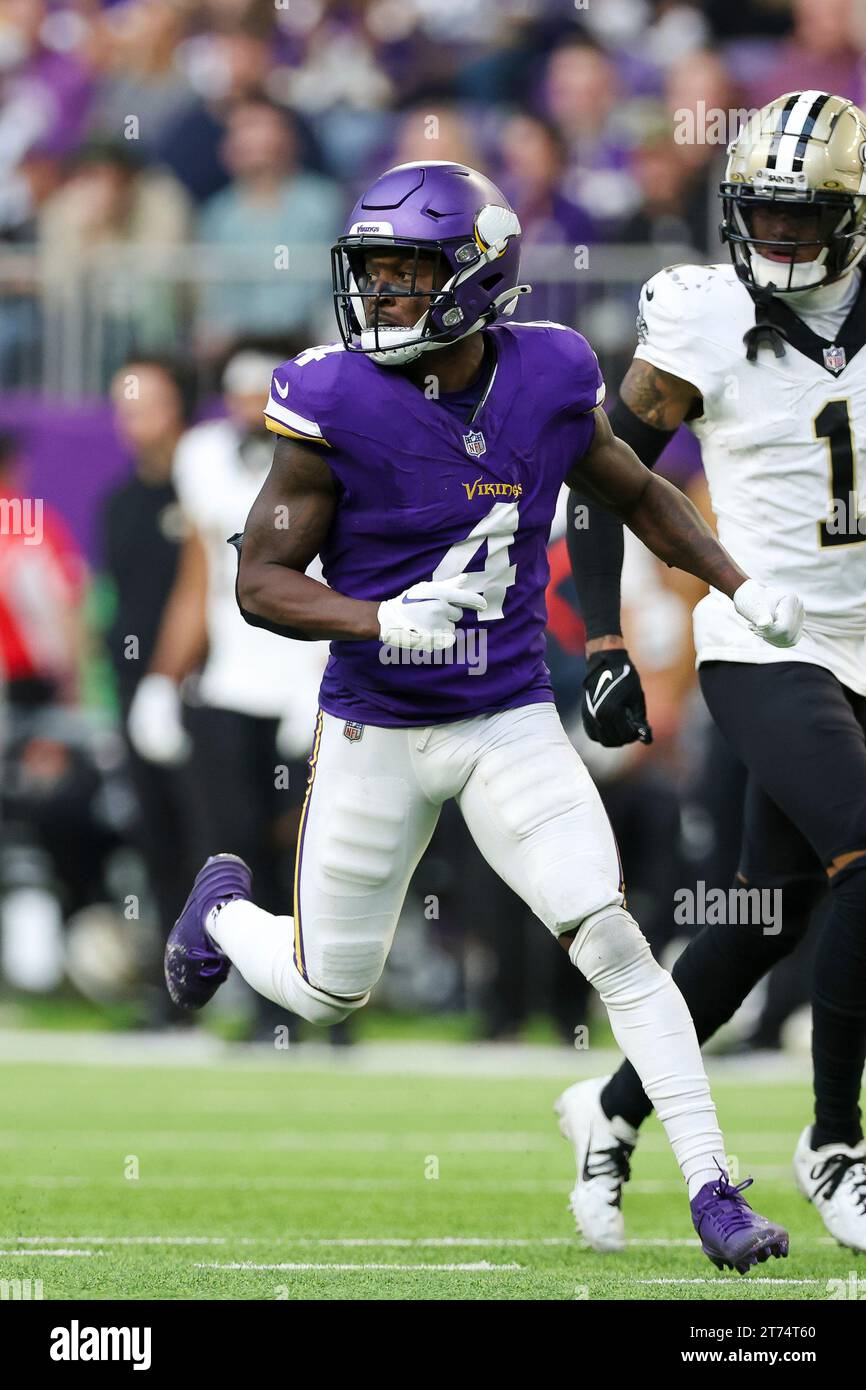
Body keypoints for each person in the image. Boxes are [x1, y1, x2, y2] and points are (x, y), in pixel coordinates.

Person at [165, 160, 804, 1272]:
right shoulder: (330, 395)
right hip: (373, 726)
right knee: (325, 989)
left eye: (409, 273)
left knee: (610, 936)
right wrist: (375, 620)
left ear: (475, 278)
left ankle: (710, 1186)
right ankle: (220, 910)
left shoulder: (550, 373)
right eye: (374, 271)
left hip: (505, 717)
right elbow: (259, 581)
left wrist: (737, 583)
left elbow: (635, 491)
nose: (384, 295)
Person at [566, 92, 866, 1254]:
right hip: (761, 637)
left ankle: (611, 1106)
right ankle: (834, 1144)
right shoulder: (700, 315)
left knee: (767, 913)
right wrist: (601, 641)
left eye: (803, 219)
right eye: (761, 216)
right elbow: (599, 478)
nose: (777, 241)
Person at [128, 341, 328, 1039]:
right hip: (231, 685)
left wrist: (326, 677)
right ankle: (265, 1007)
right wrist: (162, 675)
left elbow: (353, 572)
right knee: (231, 846)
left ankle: (325, 1005)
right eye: (238, 388)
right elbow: (198, 580)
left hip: (309, 678)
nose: (249, 403)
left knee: (311, 849)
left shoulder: (339, 448)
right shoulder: (205, 456)